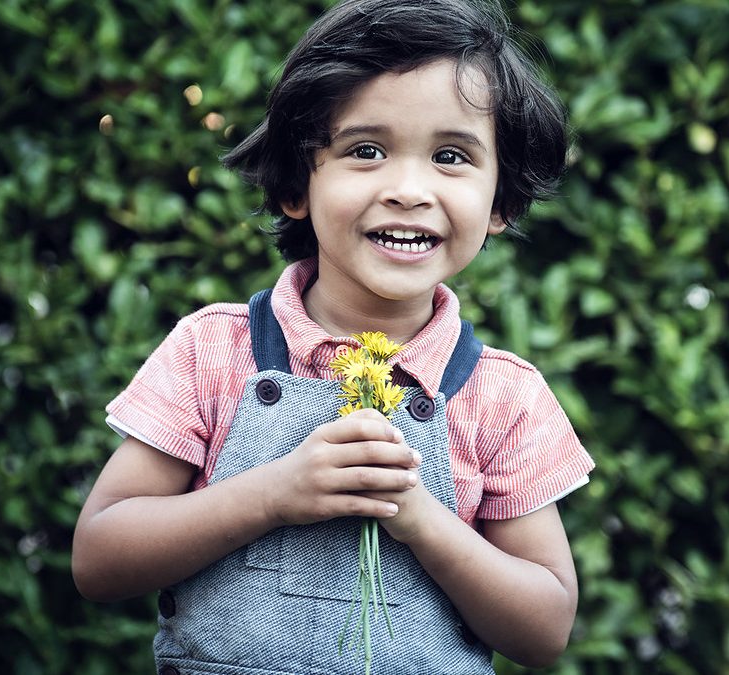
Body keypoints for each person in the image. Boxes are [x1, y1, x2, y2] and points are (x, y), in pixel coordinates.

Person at [72, 0, 595, 672]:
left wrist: (422, 519)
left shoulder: (502, 398)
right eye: (366, 150)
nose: (409, 188)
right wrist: (272, 495)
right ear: (297, 184)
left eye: (450, 155)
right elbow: (100, 558)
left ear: (500, 203)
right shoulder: (213, 353)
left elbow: (545, 629)